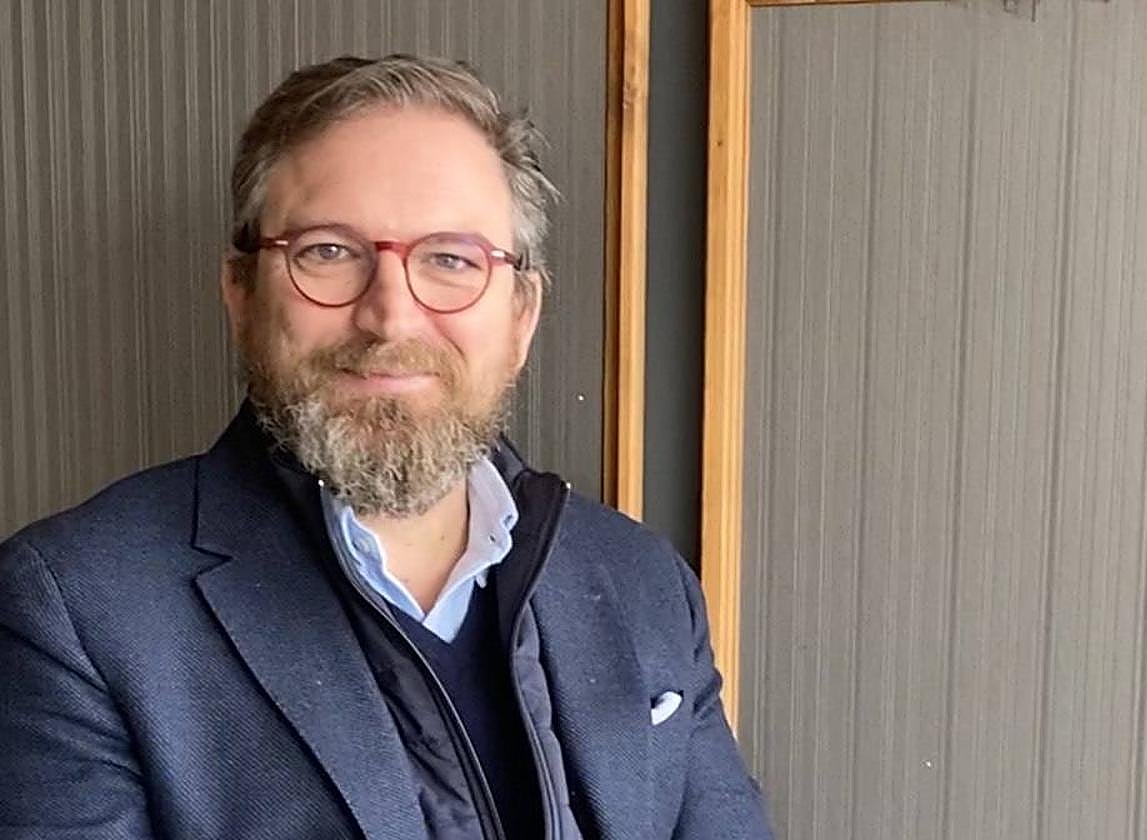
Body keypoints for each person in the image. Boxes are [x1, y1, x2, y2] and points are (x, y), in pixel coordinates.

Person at [0, 54, 771, 840]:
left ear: (522, 315)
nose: (391, 317)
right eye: (329, 252)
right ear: (241, 293)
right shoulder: (76, 610)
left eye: (451, 260)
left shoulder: (644, 583)